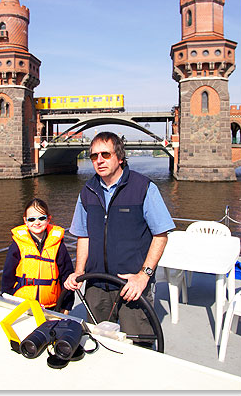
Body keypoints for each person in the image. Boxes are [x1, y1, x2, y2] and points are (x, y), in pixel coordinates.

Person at [64, 131, 175, 344]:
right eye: (94, 156)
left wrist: (144, 276)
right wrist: (79, 272)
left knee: (139, 344)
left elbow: (160, 235)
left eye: (105, 154)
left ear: (120, 157)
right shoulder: (87, 191)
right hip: (96, 285)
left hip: (132, 285)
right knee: (99, 342)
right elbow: (84, 236)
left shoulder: (143, 188)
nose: (99, 160)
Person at [2, 198, 74, 314]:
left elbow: (67, 275)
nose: (37, 223)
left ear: (49, 219)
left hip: (51, 307)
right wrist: (6, 300)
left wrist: (66, 305)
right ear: (25, 221)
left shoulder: (58, 246)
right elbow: (8, 276)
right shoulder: (17, 246)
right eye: (31, 219)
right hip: (22, 305)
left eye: (41, 218)